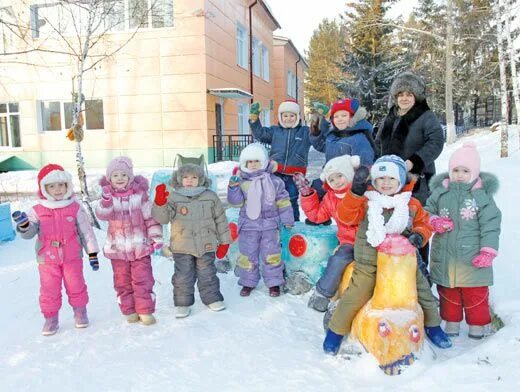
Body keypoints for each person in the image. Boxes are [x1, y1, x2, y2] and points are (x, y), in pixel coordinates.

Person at [322, 155, 452, 355]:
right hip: (369, 260)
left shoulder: (411, 203)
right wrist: (355, 192)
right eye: (381, 179)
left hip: (402, 261)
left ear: (400, 180)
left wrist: (419, 236)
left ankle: (433, 326)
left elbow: (423, 224)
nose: (386, 183)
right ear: (373, 181)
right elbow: (346, 217)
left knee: (423, 291)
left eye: (391, 178)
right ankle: (335, 331)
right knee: (356, 293)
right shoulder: (366, 201)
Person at [12, 164, 99, 336]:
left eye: (61, 185)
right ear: (44, 188)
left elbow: (86, 232)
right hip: (47, 259)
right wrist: (24, 225)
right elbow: (29, 233)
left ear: (68, 186)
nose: (57, 190)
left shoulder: (74, 207)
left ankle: (80, 311)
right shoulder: (37, 210)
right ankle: (51, 318)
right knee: (49, 289)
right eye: (52, 186)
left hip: (72, 256)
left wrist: (92, 253)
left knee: (76, 285)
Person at [425, 142, 501, 339]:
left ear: (475, 172)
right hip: (446, 257)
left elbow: (491, 223)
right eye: (456, 170)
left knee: (475, 294)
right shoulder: (441, 192)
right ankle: (452, 324)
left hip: (472, 257)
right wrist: (434, 221)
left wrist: (488, 251)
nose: (459, 174)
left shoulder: (481, 196)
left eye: (465, 171)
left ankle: (477, 326)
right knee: (448, 291)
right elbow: (426, 212)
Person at [375, 71, 444, 263]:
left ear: (416, 96)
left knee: (416, 223)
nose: (404, 98)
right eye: (401, 94)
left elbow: (436, 141)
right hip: (390, 182)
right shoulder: (391, 116)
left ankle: (419, 270)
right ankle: (395, 267)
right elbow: (378, 143)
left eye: (409, 94)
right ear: (395, 97)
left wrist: (414, 161)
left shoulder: (425, 116)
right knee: (393, 222)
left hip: (417, 181)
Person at [152, 162, 231, 318]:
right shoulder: (174, 197)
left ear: (201, 179)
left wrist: (224, 241)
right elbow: (162, 218)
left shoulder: (210, 197)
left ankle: (212, 298)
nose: (189, 180)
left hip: (206, 244)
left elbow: (220, 220)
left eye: (194, 177)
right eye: (185, 177)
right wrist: (160, 202)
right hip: (182, 245)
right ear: (179, 179)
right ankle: (183, 303)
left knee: (207, 273)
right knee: (183, 275)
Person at [95, 157, 163, 325]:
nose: (119, 178)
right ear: (109, 178)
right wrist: (105, 201)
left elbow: (150, 218)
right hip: (118, 249)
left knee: (143, 279)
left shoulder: (140, 196)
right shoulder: (108, 197)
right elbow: (103, 214)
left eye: (123, 175)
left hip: (140, 246)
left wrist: (156, 237)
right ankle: (129, 310)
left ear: (130, 177)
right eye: (115, 175)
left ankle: (145, 310)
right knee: (122, 282)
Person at [294, 155, 361, 311]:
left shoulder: (362, 192)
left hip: (371, 240)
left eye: (340, 176)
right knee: (337, 260)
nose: (337, 181)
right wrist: (306, 194)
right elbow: (317, 215)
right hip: (348, 242)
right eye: (332, 179)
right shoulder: (331, 197)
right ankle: (322, 293)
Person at [227, 143, 294, 297]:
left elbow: (283, 201)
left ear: (264, 162)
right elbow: (236, 203)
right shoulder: (242, 182)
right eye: (249, 162)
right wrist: (233, 188)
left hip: (270, 226)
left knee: (271, 254)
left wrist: (287, 219)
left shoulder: (275, 182)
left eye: (256, 161)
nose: (253, 165)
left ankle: (274, 282)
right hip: (248, 226)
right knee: (247, 254)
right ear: (244, 164)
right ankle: (248, 282)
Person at [307, 98, 375, 219]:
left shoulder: (358, 137)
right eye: (336, 116)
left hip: (347, 181)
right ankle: (321, 218)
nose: (340, 119)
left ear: (353, 117)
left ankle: (345, 223)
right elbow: (321, 146)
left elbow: (365, 157)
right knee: (316, 187)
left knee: (342, 207)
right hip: (331, 177)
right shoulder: (333, 135)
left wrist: (361, 175)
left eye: (344, 115)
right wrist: (316, 133)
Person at [249, 99, 312, 222]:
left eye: (292, 115)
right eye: (285, 115)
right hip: (275, 173)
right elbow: (260, 134)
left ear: (298, 116)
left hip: (294, 175)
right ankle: (274, 223)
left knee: (291, 200)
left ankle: (293, 224)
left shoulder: (305, 132)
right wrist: (254, 120)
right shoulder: (275, 131)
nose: (288, 119)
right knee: (273, 199)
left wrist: (322, 120)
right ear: (280, 116)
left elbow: (317, 135)